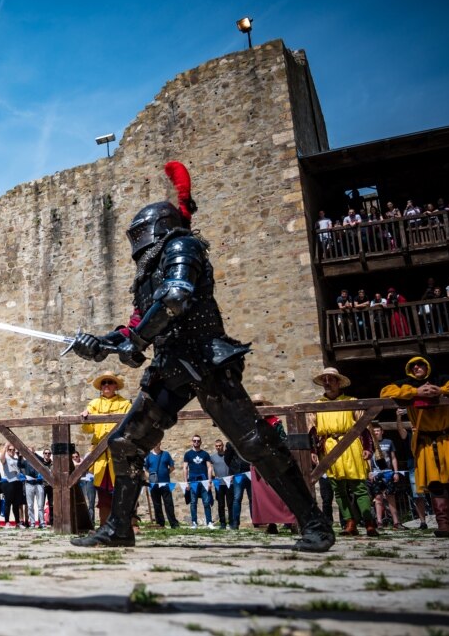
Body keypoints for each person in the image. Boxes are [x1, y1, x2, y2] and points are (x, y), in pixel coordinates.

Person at [69, 161, 334, 551]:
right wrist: (100, 344)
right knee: (126, 442)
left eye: (141, 233)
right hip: (170, 366)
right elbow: (138, 323)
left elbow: (175, 298)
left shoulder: (182, 246)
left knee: (252, 442)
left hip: (206, 359)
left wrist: (137, 341)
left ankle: (315, 525)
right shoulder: (146, 275)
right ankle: (118, 528)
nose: (137, 242)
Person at [380, 356, 449, 537]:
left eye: (420, 364)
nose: (416, 367)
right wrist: (416, 391)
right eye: (413, 365)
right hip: (427, 440)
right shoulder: (406, 384)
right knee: (435, 483)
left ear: (428, 366)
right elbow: (385, 392)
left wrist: (442, 390)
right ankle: (444, 525)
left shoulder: (444, 379)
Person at [309, 367, 377, 537]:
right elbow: (312, 430)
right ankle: (350, 522)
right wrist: (314, 450)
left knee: (359, 486)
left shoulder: (351, 401)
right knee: (338, 488)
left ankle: (369, 522)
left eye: (330, 379)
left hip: (352, 444)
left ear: (338, 382)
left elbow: (364, 426)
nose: (326, 383)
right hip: (328, 446)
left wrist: (368, 447)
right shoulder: (316, 405)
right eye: (324, 380)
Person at [80, 372, 132, 526]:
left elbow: (131, 425)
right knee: (102, 492)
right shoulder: (94, 404)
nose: (107, 385)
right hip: (100, 455)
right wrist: (86, 416)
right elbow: (88, 430)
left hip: (118, 453)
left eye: (110, 382)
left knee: (122, 491)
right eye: (104, 383)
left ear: (116, 386)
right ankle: (104, 525)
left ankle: (127, 525)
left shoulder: (125, 404)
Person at [368, 423, 402, 530]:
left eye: (378, 430)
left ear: (382, 431)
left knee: (391, 497)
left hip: (388, 472)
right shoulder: (370, 444)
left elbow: (393, 458)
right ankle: (379, 522)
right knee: (378, 498)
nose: (376, 433)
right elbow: (368, 459)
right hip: (376, 473)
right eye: (374, 431)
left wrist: (396, 472)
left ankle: (396, 522)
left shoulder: (389, 442)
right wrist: (369, 472)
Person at [183, 435, 215, 528]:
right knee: (193, 503)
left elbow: (209, 467)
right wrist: (186, 482)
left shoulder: (205, 454)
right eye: (194, 440)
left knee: (206, 502)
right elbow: (185, 468)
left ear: (201, 442)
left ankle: (209, 522)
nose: (196, 442)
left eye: (198, 441)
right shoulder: (188, 454)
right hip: (192, 481)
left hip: (204, 481)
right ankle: (194, 523)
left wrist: (209, 481)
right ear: (192, 442)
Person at [144, 442, 179, 528]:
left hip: (165, 483)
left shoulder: (166, 454)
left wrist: (165, 474)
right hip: (153, 484)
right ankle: (160, 523)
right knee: (157, 504)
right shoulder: (149, 456)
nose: (156, 444)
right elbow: (146, 468)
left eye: (157, 442)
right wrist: (152, 477)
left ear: (160, 443)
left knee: (169, 504)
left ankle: (173, 524)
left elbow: (172, 467)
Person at [20, 448, 49, 529]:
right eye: (28, 451)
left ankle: (42, 522)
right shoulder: (26, 462)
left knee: (40, 505)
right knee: (30, 505)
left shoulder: (38, 460)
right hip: (29, 484)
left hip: (39, 484)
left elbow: (42, 460)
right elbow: (19, 464)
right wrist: (20, 456)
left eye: (31, 451)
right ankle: (32, 522)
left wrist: (34, 453)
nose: (30, 453)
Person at [0, 443, 24, 527]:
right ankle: (7, 522)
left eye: (13, 450)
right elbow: (1, 458)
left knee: (16, 504)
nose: (12, 451)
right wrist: (5, 447)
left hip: (17, 482)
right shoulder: (6, 458)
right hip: (8, 483)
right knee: (8, 503)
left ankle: (17, 522)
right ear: (7, 450)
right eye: (10, 450)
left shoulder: (16, 459)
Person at [211, 439, 234, 529]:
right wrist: (212, 477)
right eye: (216, 446)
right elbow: (207, 467)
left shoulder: (228, 455)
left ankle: (232, 522)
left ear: (223, 445)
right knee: (221, 504)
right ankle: (222, 523)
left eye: (220, 445)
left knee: (230, 504)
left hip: (229, 483)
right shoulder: (212, 457)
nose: (218, 447)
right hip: (219, 484)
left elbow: (234, 465)